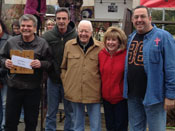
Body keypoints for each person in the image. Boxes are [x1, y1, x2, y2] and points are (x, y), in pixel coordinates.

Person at [123, 5, 175, 131]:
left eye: (142, 16)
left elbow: (171, 68)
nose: (139, 19)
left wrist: (171, 96)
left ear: (150, 18)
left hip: (154, 96)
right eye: (136, 17)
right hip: (133, 95)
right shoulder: (132, 37)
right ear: (132, 20)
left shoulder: (163, 37)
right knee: (136, 128)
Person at [0, 14, 51, 131]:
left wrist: (41, 64)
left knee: (31, 123)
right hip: (14, 87)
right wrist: (5, 63)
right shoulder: (11, 42)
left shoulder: (42, 44)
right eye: (23, 25)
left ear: (34, 28)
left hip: (33, 89)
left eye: (29, 26)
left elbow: (50, 63)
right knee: (10, 122)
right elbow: (1, 57)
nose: (25, 28)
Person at [61, 20, 103, 131]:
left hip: (94, 92)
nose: (83, 34)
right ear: (77, 31)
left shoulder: (100, 47)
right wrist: (66, 84)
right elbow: (63, 67)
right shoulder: (69, 45)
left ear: (92, 32)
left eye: (86, 31)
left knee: (95, 126)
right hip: (74, 92)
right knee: (77, 125)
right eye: (81, 31)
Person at [42, 7, 77, 131]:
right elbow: (42, 55)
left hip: (70, 80)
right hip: (53, 79)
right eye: (59, 19)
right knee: (51, 112)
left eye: (64, 18)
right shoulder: (47, 36)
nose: (61, 21)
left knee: (70, 112)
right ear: (55, 20)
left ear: (69, 20)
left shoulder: (76, 35)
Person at [98, 26, 128, 131]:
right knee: (109, 126)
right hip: (106, 98)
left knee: (120, 126)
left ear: (119, 42)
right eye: (108, 39)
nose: (110, 42)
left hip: (121, 99)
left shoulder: (126, 55)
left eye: (114, 40)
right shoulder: (101, 54)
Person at [0, 19, 11, 131]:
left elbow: (9, 59)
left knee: (5, 104)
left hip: (5, 78)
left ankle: (3, 127)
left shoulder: (9, 40)